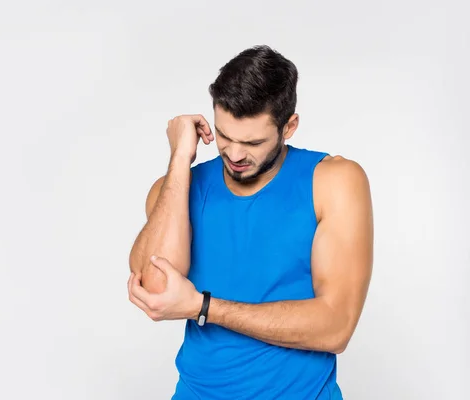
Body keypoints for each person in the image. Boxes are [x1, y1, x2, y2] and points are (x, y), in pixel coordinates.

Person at [127, 45, 373, 400]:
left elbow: (336, 326)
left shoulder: (332, 182)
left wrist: (203, 307)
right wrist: (181, 156)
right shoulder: (179, 188)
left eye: (253, 142)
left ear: (289, 126)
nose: (236, 154)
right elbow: (153, 288)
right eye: (224, 137)